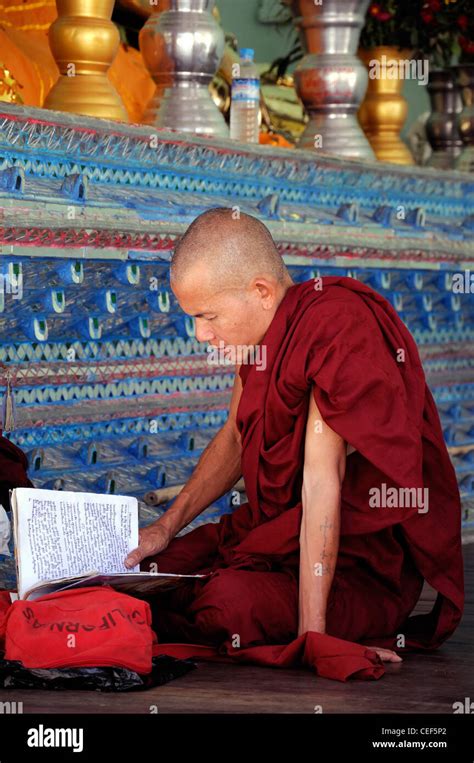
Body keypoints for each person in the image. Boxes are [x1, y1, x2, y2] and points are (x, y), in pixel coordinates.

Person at [124, 207, 464, 668]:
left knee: (228, 605)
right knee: (152, 572)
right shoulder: (262, 341)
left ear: (261, 291)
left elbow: (321, 482)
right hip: (273, 539)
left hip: (354, 566)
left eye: (208, 316)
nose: (202, 334)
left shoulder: (332, 330)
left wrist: (313, 637)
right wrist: (166, 527)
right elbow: (235, 438)